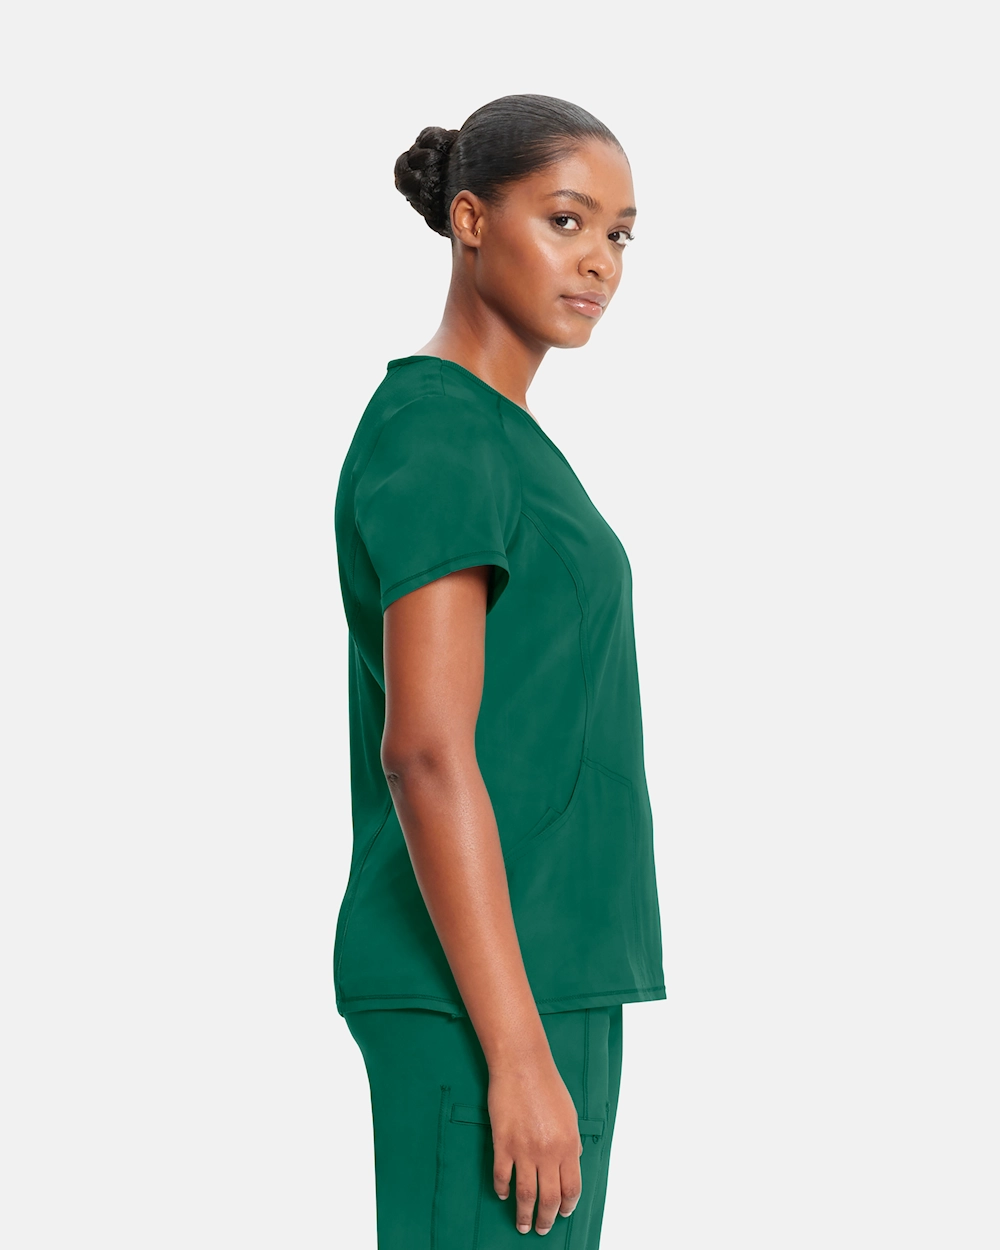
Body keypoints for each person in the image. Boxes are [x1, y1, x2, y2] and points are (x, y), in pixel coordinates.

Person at [332, 93, 666, 1247]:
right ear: (470, 219)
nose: (599, 261)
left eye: (619, 234)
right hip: (481, 998)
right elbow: (425, 751)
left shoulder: (500, 436)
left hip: (550, 970)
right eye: (566, 220)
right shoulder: (441, 432)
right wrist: (516, 1051)